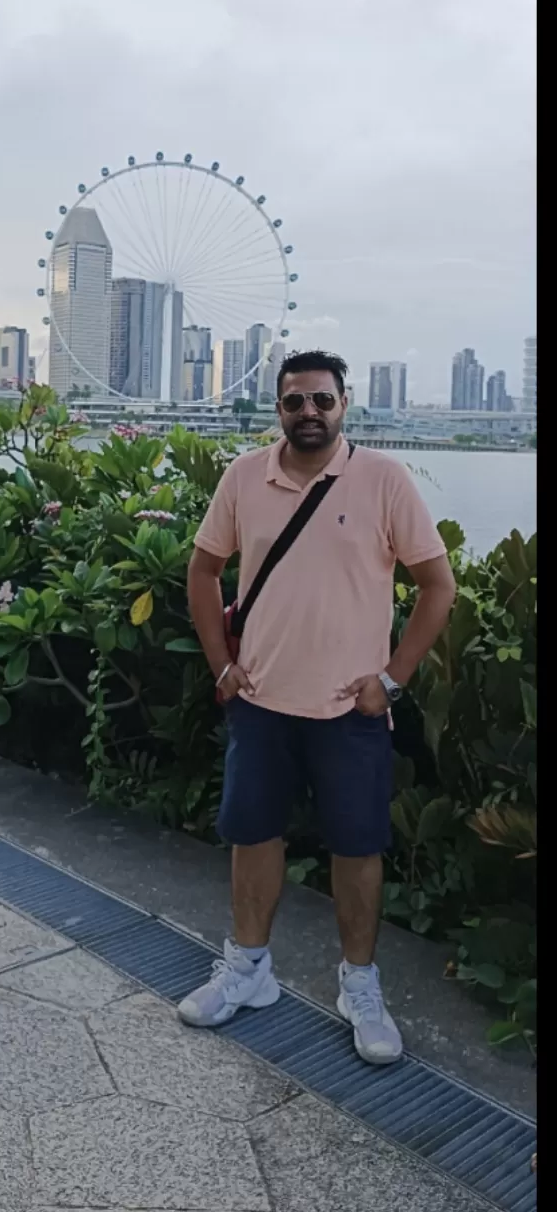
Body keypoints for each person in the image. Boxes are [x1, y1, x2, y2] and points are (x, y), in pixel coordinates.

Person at [178, 350, 456, 1065]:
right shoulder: (245, 476)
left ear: (344, 404)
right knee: (253, 836)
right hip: (262, 701)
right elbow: (204, 569)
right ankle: (248, 969)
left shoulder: (383, 481)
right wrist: (222, 665)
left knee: (358, 849)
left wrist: (390, 681)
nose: (309, 413)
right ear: (278, 408)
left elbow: (437, 585)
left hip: (351, 710)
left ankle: (360, 986)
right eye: (295, 401)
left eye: (322, 401)